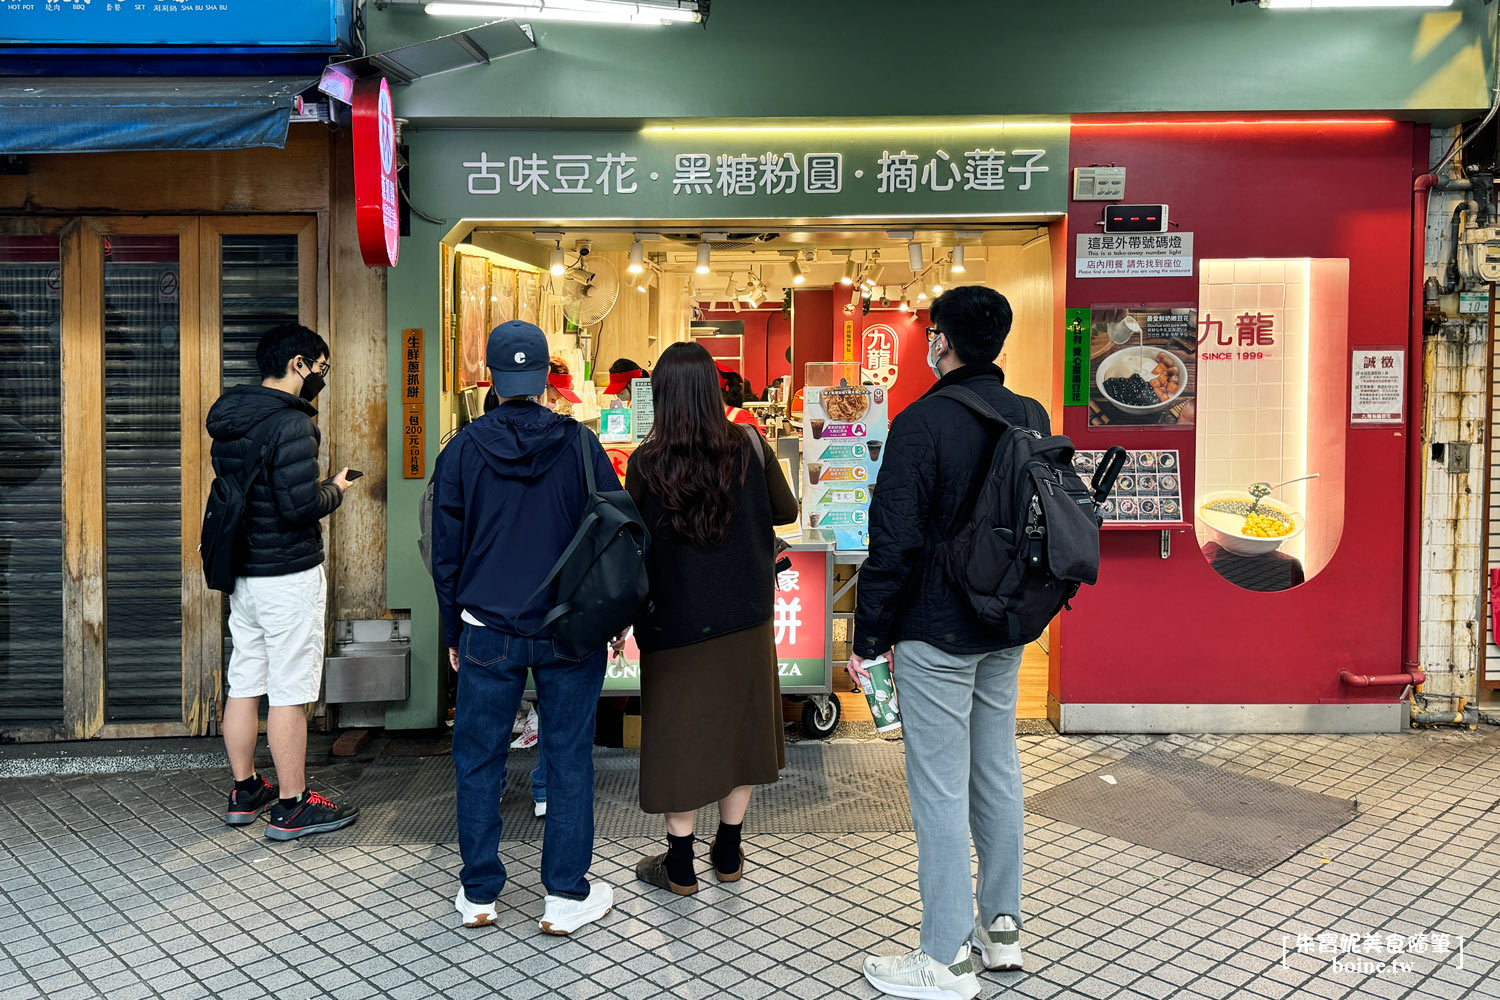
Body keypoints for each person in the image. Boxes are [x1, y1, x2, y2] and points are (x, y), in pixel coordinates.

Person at [849, 286, 1047, 1000]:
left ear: (942, 341)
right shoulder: (1030, 414)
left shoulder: (921, 422)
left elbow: (893, 544)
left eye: (934, 334)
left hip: (937, 631)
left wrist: (868, 634)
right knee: (995, 768)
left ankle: (945, 957)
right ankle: (1001, 931)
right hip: (1005, 625)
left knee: (937, 788)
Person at [432, 320, 618, 935]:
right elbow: (611, 538)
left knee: (479, 757)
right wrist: (611, 620)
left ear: (493, 375)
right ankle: (565, 897)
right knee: (568, 757)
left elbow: (446, 553)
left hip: (486, 623)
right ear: (545, 380)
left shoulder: (461, 449)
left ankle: (479, 892)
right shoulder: (582, 445)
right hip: (567, 629)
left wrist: (453, 631)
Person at [625, 342, 798, 896]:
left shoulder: (646, 464)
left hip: (672, 624)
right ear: (713, 389)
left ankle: (679, 863)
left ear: (664, 395)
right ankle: (729, 847)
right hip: (744, 619)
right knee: (740, 735)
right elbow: (786, 511)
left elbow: (633, 540)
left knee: (677, 740)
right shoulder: (748, 444)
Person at [206, 323, 360, 841]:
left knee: (246, 680)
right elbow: (299, 507)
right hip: (287, 575)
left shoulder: (232, 420)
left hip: (245, 575)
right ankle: (293, 804)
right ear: (298, 363)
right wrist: (336, 488)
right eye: (320, 366)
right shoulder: (292, 425)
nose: (321, 375)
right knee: (291, 689)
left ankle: (246, 789)